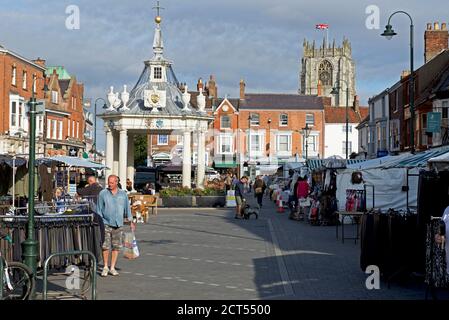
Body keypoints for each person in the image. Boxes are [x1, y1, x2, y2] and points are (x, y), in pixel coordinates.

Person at [97, 175, 136, 277]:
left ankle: (112, 267)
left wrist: (131, 221)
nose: (109, 184)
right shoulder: (103, 194)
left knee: (116, 246)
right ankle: (105, 266)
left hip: (118, 223)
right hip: (105, 223)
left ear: (116, 182)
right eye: (109, 182)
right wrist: (100, 221)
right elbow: (99, 209)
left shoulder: (123, 194)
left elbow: (127, 208)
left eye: (112, 183)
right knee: (105, 246)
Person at [77, 176, 105, 244]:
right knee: (100, 224)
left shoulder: (92, 186)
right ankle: (101, 239)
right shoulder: (101, 188)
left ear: (90, 181)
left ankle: (96, 239)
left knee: (95, 223)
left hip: (94, 208)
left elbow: (80, 192)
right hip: (101, 208)